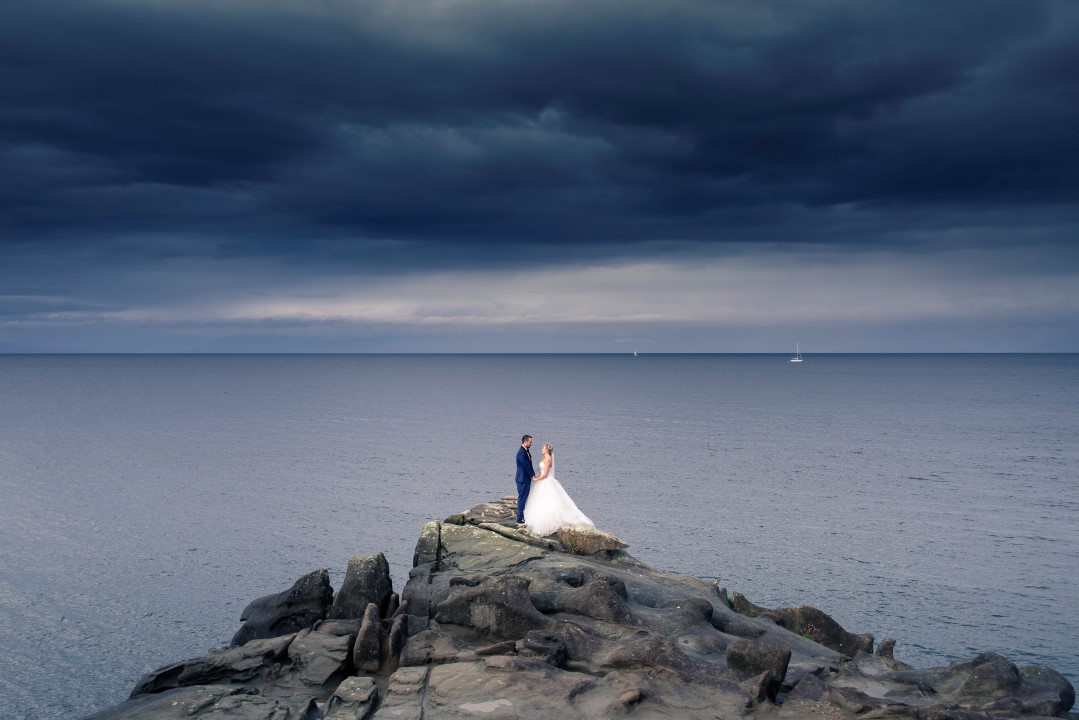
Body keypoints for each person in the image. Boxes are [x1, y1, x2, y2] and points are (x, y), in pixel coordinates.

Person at [524, 443, 593, 536]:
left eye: (543, 448)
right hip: (542, 481)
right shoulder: (545, 458)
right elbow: (542, 471)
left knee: (547, 502)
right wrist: (536, 476)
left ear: (547, 450)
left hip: (546, 482)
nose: (542, 449)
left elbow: (545, 474)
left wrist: (536, 479)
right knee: (541, 502)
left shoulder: (548, 459)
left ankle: (546, 523)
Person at [515, 435, 535, 524]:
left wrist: (533, 475)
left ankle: (522, 515)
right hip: (522, 479)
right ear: (525, 441)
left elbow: (529, 465)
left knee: (524, 497)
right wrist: (532, 476)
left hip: (525, 478)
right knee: (522, 498)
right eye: (530, 442)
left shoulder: (526, 451)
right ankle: (520, 517)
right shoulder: (521, 453)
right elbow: (525, 466)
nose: (531, 443)